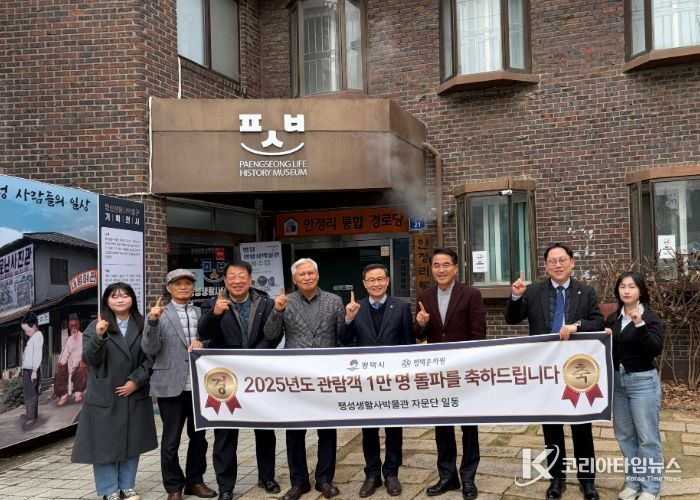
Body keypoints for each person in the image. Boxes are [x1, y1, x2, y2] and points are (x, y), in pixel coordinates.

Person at [504, 242, 604, 500]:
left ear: (572, 262)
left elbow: (597, 322)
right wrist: (515, 296)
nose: (558, 265)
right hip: (546, 370)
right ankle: (556, 479)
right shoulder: (533, 292)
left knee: (581, 426)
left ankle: (587, 481)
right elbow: (512, 319)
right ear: (545, 266)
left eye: (562, 260)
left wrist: (576, 326)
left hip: (575, 369)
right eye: (552, 261)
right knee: (551, 427)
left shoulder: (585, 292)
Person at [197, 261, 281, 500]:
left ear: (250, 279)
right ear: (225, 280)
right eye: (232, 276)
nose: (237, 280)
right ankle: (226, 487)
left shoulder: (266, 302)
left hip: (257, 373)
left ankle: (267, 477)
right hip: (226, 376)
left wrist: (253, 358)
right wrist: (215, 314)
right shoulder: (214, 303)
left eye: (241, 276)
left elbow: (273, 336)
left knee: (264, 429)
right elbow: (204, 333)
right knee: (225, 433)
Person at [264, 258, 346, 500]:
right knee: (294, 432)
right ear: (294, 278)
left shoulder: (334, 301)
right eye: (302, 274)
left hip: (326, 375)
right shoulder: (284, 301)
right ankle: (298, 482)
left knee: (327, 431)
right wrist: (277, 311)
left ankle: (324, 480)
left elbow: (342, 337)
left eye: (311, 273)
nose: (307, 277)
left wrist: (350, 319)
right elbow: (270, 335)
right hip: (296, 376)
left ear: (318, 275)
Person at [71, 282, 158, 500]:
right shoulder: (97, 325)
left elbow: (152, 357)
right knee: (104, 444)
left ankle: (127, 486)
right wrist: (99, 337)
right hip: (105, 392)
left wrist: (136, 381)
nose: (120, 300)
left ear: (132, 299)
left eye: (125, 295)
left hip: (134, 391)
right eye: (114, 296)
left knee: (133, 440)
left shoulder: (143, 324)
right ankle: (108, 489)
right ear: (107, 301)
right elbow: (89, 359)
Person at [413, 247, 485, 500]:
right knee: (442, 427)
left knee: (469, 427)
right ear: (431, 268)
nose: (441, 270)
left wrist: (470, 366)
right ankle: (447, 476)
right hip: (438, 373)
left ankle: (468, 478)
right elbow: (418, 334)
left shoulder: (471, 294)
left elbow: (479, 335)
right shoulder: (425, 295)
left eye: (446, 265)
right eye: (436, 265)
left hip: (464, 372)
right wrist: (421, 323)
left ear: (455, 267)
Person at [142, 269, 217, 500]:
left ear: (193, 287)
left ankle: (195, 481)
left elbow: (212, 339)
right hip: (170, 385)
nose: (183, 287)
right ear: (169, 288)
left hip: (199, 386)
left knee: (199, 438)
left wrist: (204, 343)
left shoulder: (201, 312)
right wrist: (152, 321)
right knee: (171, 440)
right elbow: (149, 349)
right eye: (178, 284)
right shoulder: (159, 313)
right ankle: (173, 486)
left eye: (188, 283)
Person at [340, 263, 414, 497]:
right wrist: (349, 318)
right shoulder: (356, 307)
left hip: (393, 381)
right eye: (371, 280)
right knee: (369, 429)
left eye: (380, 279)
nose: (376, 283)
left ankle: (391, 473)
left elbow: (409, 345)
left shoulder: (401, 307)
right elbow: (344, 341)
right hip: (366, 382)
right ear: (364, 284)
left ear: (388, 281)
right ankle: (372, 474)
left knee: (394, 429)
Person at [604, 271, 663, 500]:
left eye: (631, 286)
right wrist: (605, 338)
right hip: (618, 384)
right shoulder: (613, 319)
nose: (626, 291)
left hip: (643, 383)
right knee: (625, 436)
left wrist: (639, 324)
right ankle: (633, 482)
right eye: (622, 286)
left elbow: (653, 350)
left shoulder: (651, 318)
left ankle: (650, 488)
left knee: (647, 437)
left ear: (640, 291)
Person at [55, 314, 87, 406]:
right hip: (70, 366)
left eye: (75, 326)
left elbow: (87, 351)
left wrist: (84, 359)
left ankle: (78, 393)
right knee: (60, 369)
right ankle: (63, 395)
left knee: (81, 369)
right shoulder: (69, 340)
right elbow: (65, 354)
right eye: (71, 326)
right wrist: (61, 363)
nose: (73, 328)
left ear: (78, 326)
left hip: (81, 365)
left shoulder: (83, 337)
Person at [20, 311, 43, 430]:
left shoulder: (38, 336)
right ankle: (30, 413)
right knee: (27, 392)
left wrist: (34, 370)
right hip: (27, 369)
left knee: (31, 393)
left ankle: (31, 417)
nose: (25, 332)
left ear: (33, 326)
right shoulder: (33, 337)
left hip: (31, 370)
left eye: (26, 330)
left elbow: (38, 355)